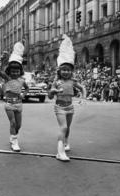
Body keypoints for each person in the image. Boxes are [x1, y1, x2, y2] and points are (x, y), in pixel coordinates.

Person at [48, 34, 87, 162]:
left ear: (71, 71)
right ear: (60, 71)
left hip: (70, 107)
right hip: (59, 107)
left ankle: (66, 142)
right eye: (63, 70)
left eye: (68, 70)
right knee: (63, 127)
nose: (66, 72)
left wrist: (84, 98)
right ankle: (60, 152)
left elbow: (82, 88)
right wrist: (53, 91)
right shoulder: (56, 82)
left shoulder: (73, 81)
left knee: (68, 128)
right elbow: (49, 95)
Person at [0, 41, 29, 152]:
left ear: (20, 71)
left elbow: (27, 88)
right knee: (13, 123)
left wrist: (23, 95)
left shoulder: (22, 80)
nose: (15, 73)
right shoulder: (8, 78)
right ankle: (14, 142)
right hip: (9, 104)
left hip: (19, 104)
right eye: (13, 71)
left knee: (19, 125)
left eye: (17, 71)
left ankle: (13, 136)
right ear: (9, 72)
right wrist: (1, 60)